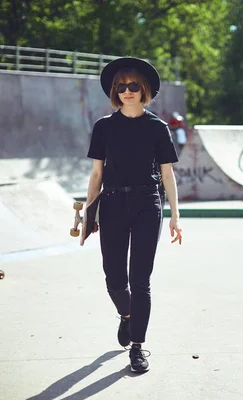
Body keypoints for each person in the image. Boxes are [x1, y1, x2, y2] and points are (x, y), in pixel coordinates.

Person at [85, 57, 183, 373]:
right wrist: (89, 214)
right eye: (121, 87)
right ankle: (127, 316)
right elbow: (96, 174)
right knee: (114, 279)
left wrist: (175, 215)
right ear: (116, 92)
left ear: (144, 90)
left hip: (146, 205)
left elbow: (168, 175)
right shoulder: (103, 127)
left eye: (133, 86)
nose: (127, 91)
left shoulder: (158, 128)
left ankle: (137, 347)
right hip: (112, 205)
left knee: (140, 280)